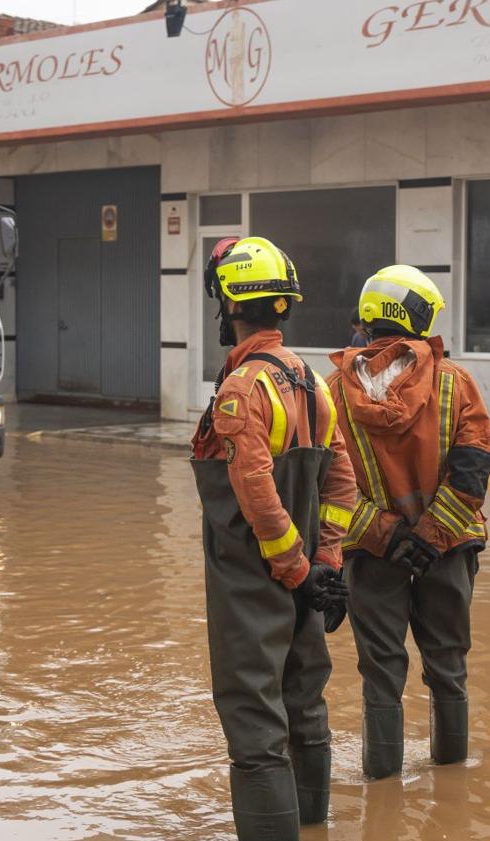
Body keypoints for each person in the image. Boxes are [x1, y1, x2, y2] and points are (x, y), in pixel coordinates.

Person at [191, 237, 357, 840]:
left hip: (254, 581)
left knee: (255, 723)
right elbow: (343, 479)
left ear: (230, 304)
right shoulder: (313, 381)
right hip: (306, 580)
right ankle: (314, 826)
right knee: (306, 703)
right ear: (282, 305)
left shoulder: (242, 390)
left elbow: (255, 489)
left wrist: (294, 567)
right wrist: (326, 562)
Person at [327, 265, 490, 779]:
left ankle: (383, 794)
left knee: (380, 677)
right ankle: (451, 783)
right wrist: (429, 537)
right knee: (449, 670)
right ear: (417, 315)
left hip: (372, 559)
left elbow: (327, 489)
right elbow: (472, 473)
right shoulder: (454, 384)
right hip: (448, 551)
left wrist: (390, 537)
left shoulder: (331, 391)